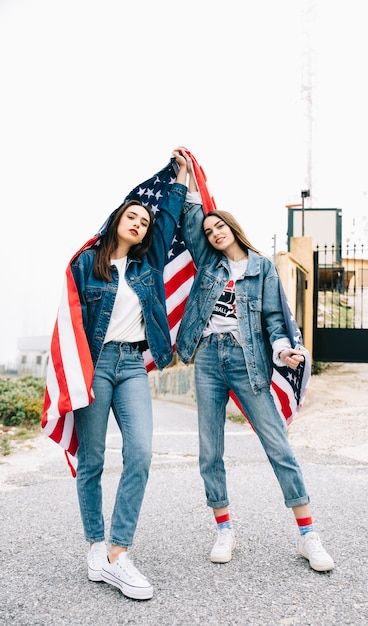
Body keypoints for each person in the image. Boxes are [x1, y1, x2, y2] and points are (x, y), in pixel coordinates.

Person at [176, 154, 334, 572]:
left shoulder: (262, 267)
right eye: (209, 231)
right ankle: (224, 528)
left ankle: (307, 535)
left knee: (278, 446)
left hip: (249, 360)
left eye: (219, 226)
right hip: (208, 357)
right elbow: (191, 222)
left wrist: (283, 350)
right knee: (210, 450)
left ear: (233, 227)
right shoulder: (208, 263)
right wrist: (186, 179)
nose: (212, 234)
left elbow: (273, 318)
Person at [70, 148, 189, 600]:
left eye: (144, 220)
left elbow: (170, 217)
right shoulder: (87, 265)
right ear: (117, 218)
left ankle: (120, 553)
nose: (139, 222)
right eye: (133, 216)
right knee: (93, 460)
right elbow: (70, 323)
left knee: (139, 453)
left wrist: (180, 178)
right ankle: (96, 545)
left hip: (133, 365)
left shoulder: (147, 265)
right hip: (95, 366)